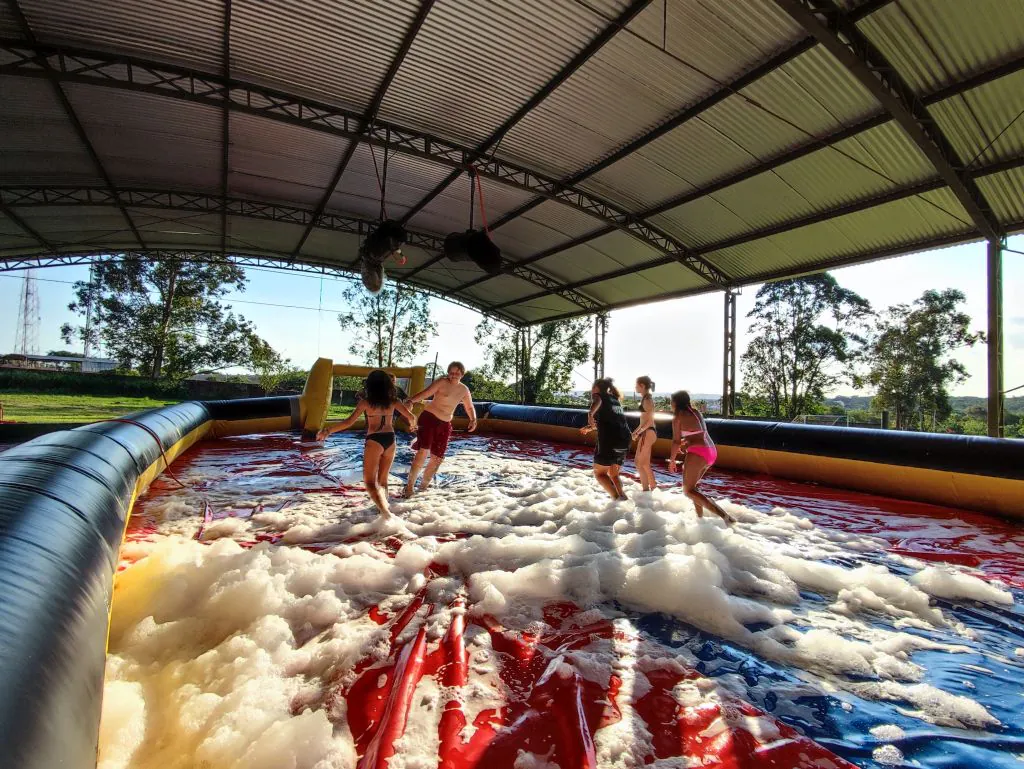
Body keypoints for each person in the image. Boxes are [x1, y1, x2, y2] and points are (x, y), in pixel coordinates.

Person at [317, 369, 417, 518]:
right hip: (390, 439)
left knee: (370, 481)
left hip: (374, 440)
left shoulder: (366, 403)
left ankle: (385, 512)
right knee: (383, 479)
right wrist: (412, 426)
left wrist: (328, 431)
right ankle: (384, 507)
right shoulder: (394, 401)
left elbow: (348, 422)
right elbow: (411, 416)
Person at [402, 361, 477, 496]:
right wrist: (411, 400)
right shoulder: (442, 382)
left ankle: (423, 487)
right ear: (448, 372)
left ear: (462, 374)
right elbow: (426, 393)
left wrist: (473, 419)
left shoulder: (464, 389)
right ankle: (409, 487)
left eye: (457, 373)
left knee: (438, 458)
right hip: (429, 418)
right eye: (451, 372)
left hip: (445, 423)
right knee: (423, 451)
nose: (453, 375)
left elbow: (469, 406)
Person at [668, 390, 735, 524]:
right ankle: (700, 519)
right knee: (693, 488)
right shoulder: (696, 412)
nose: (670, 404)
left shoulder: (677, 417)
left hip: (698, 453)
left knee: (687, 491)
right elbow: (697, 434)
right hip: (710, 451)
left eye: (671, 401)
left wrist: (672, 460)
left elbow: (675, 441)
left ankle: (725, 517)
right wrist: (686, 442)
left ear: (675, 403)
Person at [581, 378, 632, 501]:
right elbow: (612, 422)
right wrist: (590, 427)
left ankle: (616, 501)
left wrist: (590, 414)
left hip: (611, 440)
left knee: (600, 473)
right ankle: (623, 498)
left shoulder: (599, 396)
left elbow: (597, 401)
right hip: (624, 439)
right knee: (614, 474)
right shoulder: (614, 399)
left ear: (596, 388)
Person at [632, 375, 658, 492]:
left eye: (636, 385)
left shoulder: (647, 400)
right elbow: (644, 420)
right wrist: (635, 431)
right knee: (645, 464)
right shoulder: (646, 398)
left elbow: (649, 421)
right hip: (647, 432)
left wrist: (638, 433)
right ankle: (652, 489)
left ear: (642, 386)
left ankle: (646, 490)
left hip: (648, 433)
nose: (635, 387)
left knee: (638, 463)